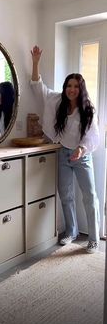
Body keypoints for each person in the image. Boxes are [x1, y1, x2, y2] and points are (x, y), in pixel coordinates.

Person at [30, 45, 100, 254]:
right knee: (66, 195)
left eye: (76, 86)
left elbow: (92, 135)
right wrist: (35, 62)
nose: (71, 89)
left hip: (82, 156)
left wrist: (81, 149)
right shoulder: (57, 101)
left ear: (81, 89)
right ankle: (71, 231)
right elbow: (38, 87)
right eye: (69, 85)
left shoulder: (88, 110)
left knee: (89, 196)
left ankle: (94, 239)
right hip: (62, 154)